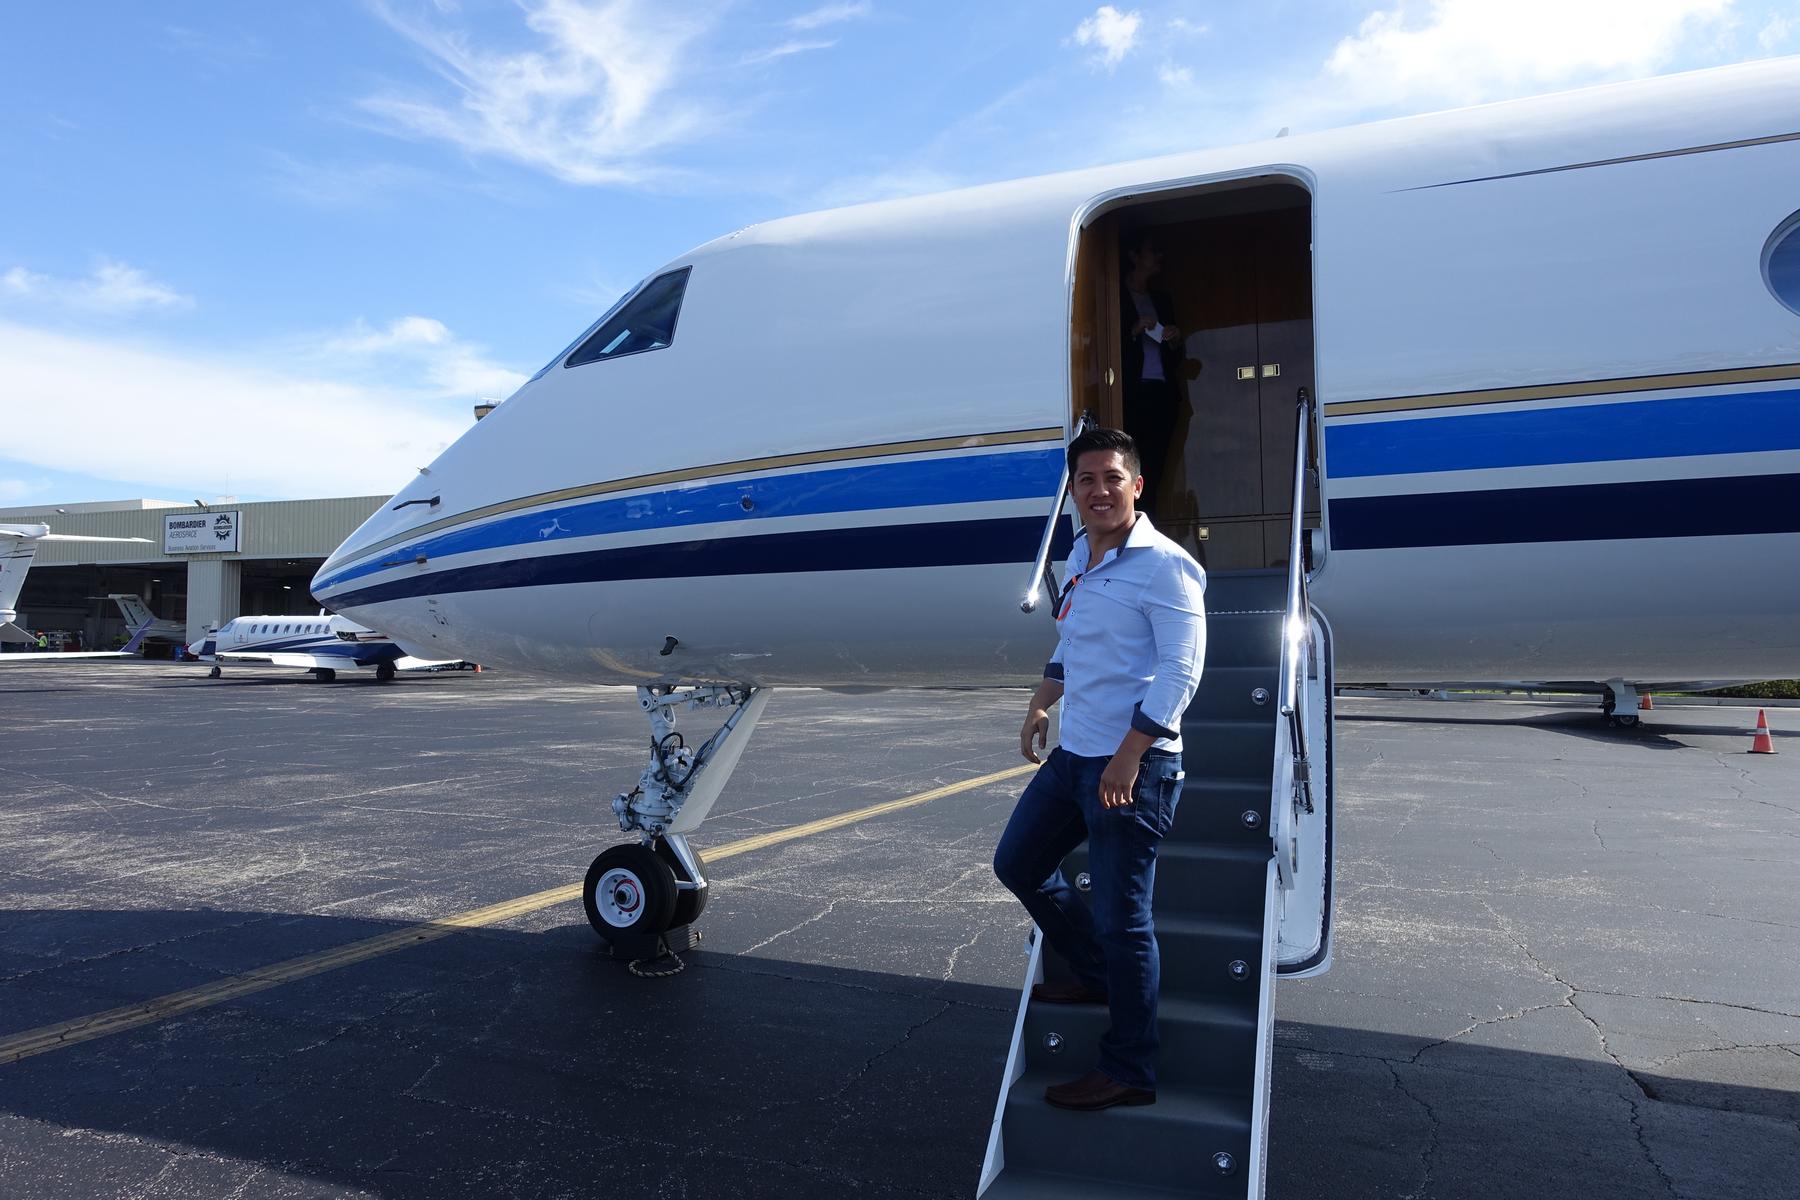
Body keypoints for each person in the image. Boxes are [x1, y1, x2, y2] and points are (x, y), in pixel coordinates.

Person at [993, 427, 1207, 1112]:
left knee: (1124, 921)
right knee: (1018, 864)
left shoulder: (1166, 566)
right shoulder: (1082, 553)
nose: (1099, 491)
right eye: (1086, 480)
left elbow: (1181, 671)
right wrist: (1040, 701)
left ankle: (1129, 1069)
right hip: (1075, 757)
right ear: (1074, 493)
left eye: (1113, 478)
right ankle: (1093, 974)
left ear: (1136, 486)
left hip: (1131, 767)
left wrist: (1130, 755)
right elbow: (1073, 639)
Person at [1118, 231, 1183, 510]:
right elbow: (1103, 348)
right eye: (1152, 250)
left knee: (1156, 468)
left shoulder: (1162, 299)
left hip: (1163, 392)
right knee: (1132, 467)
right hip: (1133, 394)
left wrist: (1175, 338)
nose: (1159, 257)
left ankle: (1150, 524)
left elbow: (1177, 355)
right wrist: (1132, 332)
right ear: (1134, 256)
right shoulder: (1115, 298)